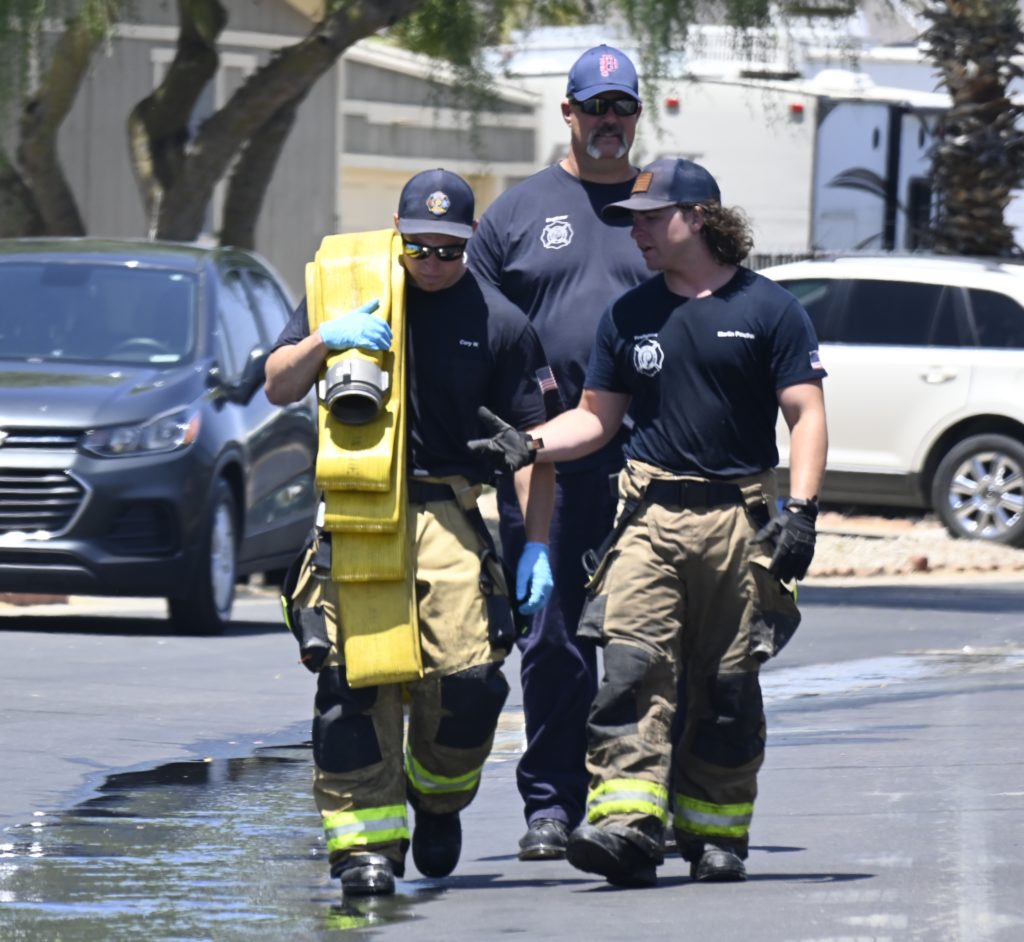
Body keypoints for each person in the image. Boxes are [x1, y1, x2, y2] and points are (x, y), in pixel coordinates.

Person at [468, 157, 828, 887]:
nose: (636, 233)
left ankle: (715, 835)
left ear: (698, 217)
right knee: (631, 669)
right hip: (648, 517)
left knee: (726, 685)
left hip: (738, 521)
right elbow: (596, 420)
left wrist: (802, 512)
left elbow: (807, 414)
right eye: (632, 221)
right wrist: (530, 444)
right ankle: (626, 825)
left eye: (650, 218)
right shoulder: (629, 316)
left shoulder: (770, 309)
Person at [264, 168, 557, 897]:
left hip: (448, 511)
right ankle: (365, 849)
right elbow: (277, 383)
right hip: (357, 511)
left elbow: (534, 446)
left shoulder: (500, 322)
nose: (432, 262)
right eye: (419, 247)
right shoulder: (347, 284)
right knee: (352, 690)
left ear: (471, 240)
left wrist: (537, 546)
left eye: (448, 250)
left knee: (469, 686)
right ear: (397, 232)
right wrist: (326, 337)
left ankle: (438, 797)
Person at [465, 42, 651, 861]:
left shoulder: (665, 206)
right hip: (545, 462)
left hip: (652, 464)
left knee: (647, 642)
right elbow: (471, 334)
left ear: (636, 115)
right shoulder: (515, 213)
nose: (609, 120)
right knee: (552, 641)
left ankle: (638, 803)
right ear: (567, 112)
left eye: (623, 107)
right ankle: (550, 803)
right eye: (595, 107)